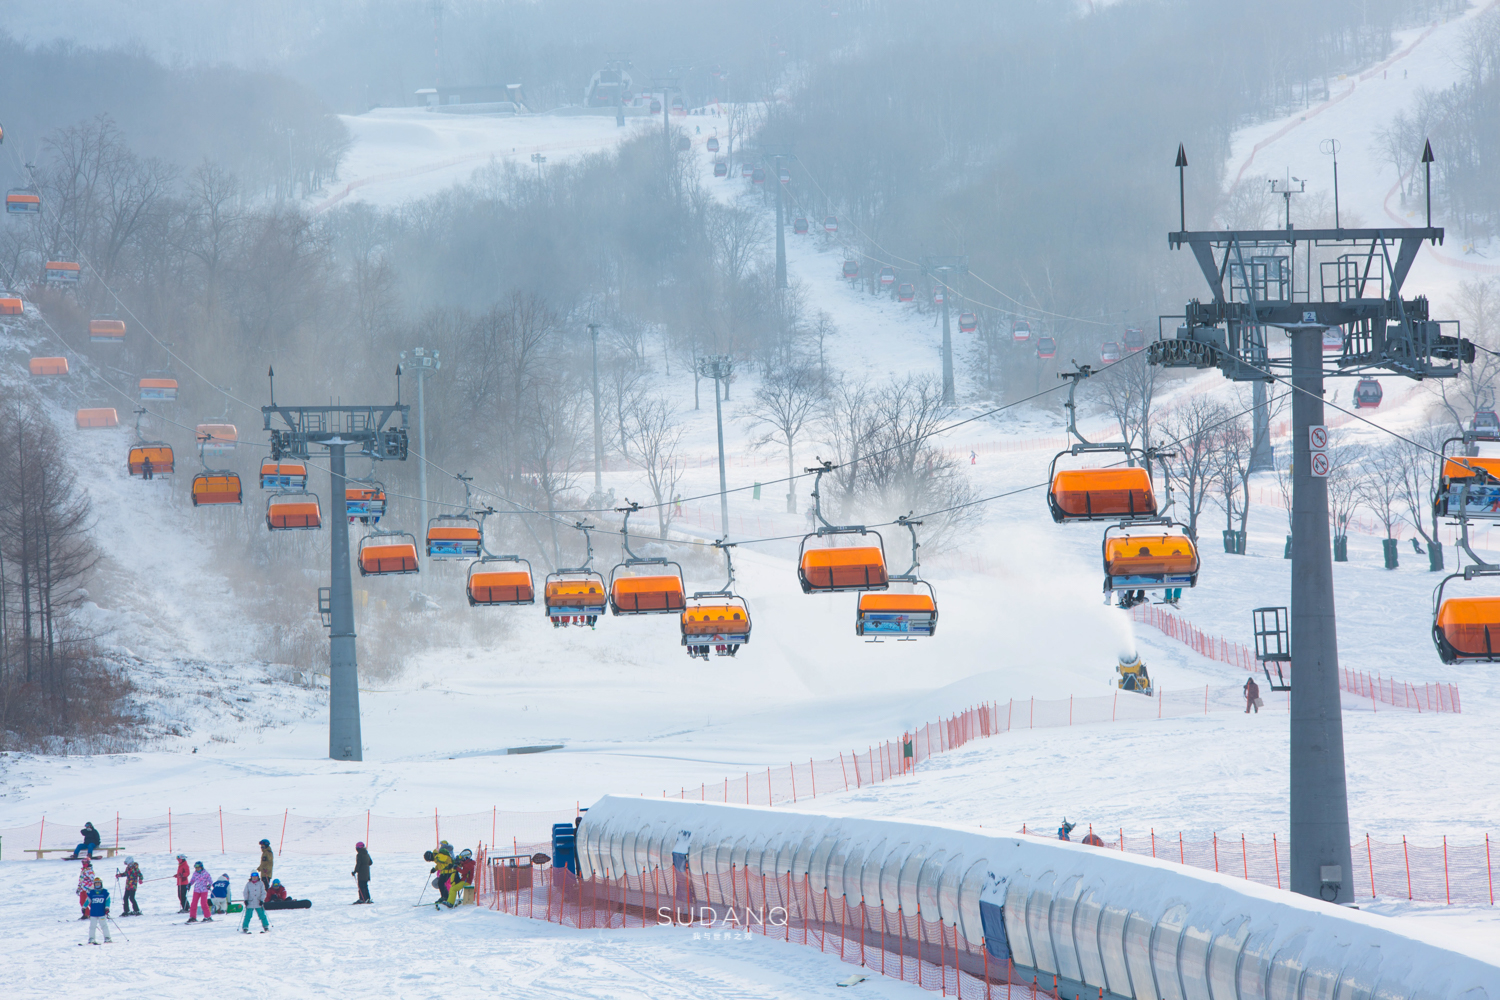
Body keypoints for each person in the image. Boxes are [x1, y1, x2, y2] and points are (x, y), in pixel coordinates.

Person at [85, 877, 112, 945]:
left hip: (101, 912)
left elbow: (108, 901)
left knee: (104, 925)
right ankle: (91, 939)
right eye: (96, 883)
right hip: (93, 913)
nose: (97, 884)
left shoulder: (104, 892)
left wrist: (107, 908)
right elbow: (88, 900)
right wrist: (84, 907)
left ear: (101, 884)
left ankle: (107, 938)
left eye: (98, 883)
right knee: (92, 926)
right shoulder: (92, 892)